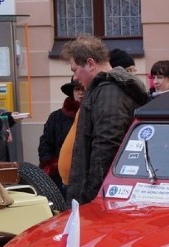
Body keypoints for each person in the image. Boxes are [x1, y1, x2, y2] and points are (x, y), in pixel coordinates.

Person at [61, 35, 149, 204]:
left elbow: (106, 147)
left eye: (74, 70)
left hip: (98, 196)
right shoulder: (105, 89)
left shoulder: (109, 92)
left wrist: (92, 197)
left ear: (91, 64)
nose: (75, 78)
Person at [39, 77, 83, 191]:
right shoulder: (56, 117)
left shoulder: (94, 115)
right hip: (59, 175)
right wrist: (51, 166)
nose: (81, 93)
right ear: (72, 92)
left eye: (84, 89)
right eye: (78, 89)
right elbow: (46, 144)